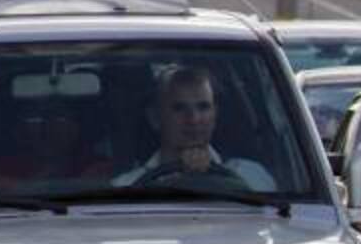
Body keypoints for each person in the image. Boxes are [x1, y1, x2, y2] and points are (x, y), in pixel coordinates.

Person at [114, 66, 275, 190]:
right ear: (155, 118)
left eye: (203, 107)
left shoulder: (253, 177)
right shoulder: (125, 188)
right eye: (179, 108)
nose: (194, 119)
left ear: (215, 114)